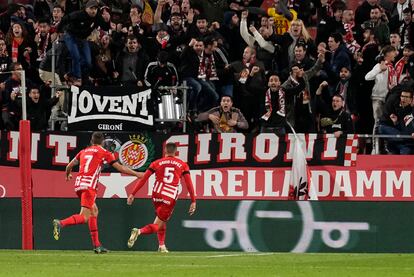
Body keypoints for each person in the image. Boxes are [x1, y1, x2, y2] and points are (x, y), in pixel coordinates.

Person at [52, 132, 143, 254]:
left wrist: (68, 174)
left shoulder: (83, 151)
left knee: (94, 211)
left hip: (79, 185)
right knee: (84, 217)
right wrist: (137, 174)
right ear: (103, 142)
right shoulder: (105, 153)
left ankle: (97, 246)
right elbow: (120, 168)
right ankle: (61, 223)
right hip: (89, 187)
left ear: (91, 140)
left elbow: (69, 166)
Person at [126, 142, 196, 253]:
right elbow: (189, 184)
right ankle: (139, 231)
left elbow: (144, 178)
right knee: (158, 224)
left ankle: (162, 246)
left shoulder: (157, 163)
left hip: (156, 193)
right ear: (176, 151)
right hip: (169, 195)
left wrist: (132, 193)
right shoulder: (182, 164)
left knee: (161, 219)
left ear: (165, 151)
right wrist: (193, 200)